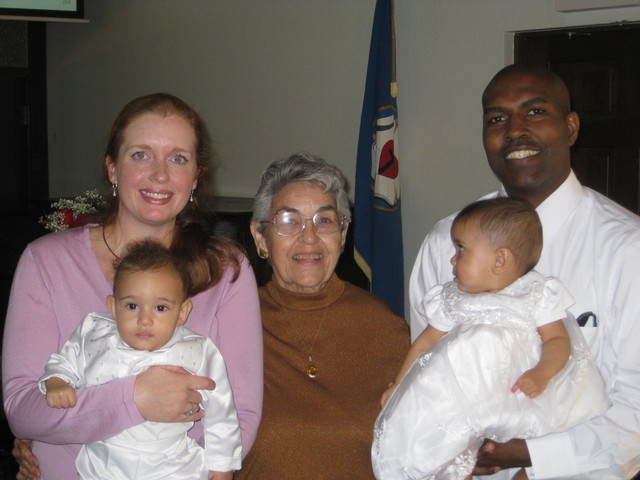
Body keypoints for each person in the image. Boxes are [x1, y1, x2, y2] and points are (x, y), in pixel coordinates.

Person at [2, 93, 263, 480]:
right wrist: (134, 399)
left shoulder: (225, 270)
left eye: (178, 158)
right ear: (112, 168)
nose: (160, 174)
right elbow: (23, 408)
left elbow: (240, 414)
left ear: (195, 177)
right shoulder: (47, 262)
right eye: (141, 154)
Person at [409, 64, 640, 479]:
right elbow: (427, 377)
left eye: (535, 112)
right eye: (497, 118)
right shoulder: (444, 243)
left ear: (570, 128)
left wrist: (533, 458)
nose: (515, 130)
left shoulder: (627, 249)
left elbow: (636, 411)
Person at [373, 198, 608, 480]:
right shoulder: (452, 298)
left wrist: (542, 372)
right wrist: (400, 383)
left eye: (461, 249)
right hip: (461, 393)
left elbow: (557, 340)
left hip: (515, 393)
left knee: (545, 450)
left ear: (500, 260)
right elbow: (424, 344)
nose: (452, 258)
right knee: (428, 436)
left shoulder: (534, 294)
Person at [233, 152, 410, 479]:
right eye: (289, 221)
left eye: (325, 220)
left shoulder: (383, 327)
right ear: (261, 238)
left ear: (342, 236)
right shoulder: (234, 324)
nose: (309, 237)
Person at [40, 240, 242, 479]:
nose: (145, 319)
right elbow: (65, 361)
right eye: (132, 305)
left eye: (161, 308)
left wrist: (222, 465)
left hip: (173, 466)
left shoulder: (197, 350)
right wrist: (56, 381)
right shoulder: (94, 333)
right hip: (103, 465)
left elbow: (221, 412)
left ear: (182, 312)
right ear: (113, 307)